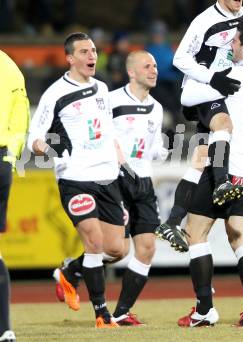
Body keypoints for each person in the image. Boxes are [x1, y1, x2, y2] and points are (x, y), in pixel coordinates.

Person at [53, 50, 168, 326]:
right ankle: (72, 270)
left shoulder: (157, 108)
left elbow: (152, 149)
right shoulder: (111, 100)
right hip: (114, 180)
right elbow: (97, 133)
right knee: (117, 250)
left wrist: (161, 151)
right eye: (147, 66)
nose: (154, 70)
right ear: (131, 72)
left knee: (148, 247)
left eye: (155, 66)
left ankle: (121, 311)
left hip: (143, 183)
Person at [27, 32, 127, 329]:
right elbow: (33, 138)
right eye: (83, 52)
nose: (91, 56)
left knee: (117, 249)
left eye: (93, 50)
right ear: (70, 58)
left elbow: (107, 129)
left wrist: (120, 160)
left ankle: (70, 271)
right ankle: (102, 314)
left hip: (107, 177)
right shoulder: (55, 93)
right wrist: (49, 148)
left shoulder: (102, 88)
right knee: (94, 242)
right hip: (75, 178)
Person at [177, 20, 243, 327]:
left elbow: (187, 98)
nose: (230, 47)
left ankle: (204, 309)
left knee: (196, 233)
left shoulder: (233, 74)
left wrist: (209, 78)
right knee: (240, 236)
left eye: (234, 43)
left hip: (224, 162)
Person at [155, 0, 243, 251]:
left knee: (200, 159)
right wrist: (213, 78)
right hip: (200, 89)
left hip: (220, 90)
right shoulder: (203, 21)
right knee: (225, 126)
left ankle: (172, 221)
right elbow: (180, 59)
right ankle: (222, 182)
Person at [0, 50, 29, 342]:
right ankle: (4, 329)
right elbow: (21, 115)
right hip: (2, 162)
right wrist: (11, 157)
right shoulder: (9, 65)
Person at [145, 20, 182, 127]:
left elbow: (175, 64)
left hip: (173, 81)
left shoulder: (168, 48)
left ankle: (179, 114)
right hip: (158, 83)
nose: (158, 36)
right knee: (166, 93)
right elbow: (155, 69)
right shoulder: (148, 50)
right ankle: (173, 115)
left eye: (160, 34)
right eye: (156, 34)